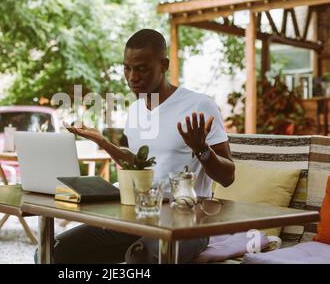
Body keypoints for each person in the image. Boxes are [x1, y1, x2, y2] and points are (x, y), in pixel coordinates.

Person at [35, 29, 235, 264]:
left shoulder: (200, 105)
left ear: (163, 65)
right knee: (52, 252)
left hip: (188, 223)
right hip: (138, 217)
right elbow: (138, 165)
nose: (132, 77)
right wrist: (103, 142)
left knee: (141, 257)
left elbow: (228, 176)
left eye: (141, 68)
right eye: (127, 68)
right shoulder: (136, 110)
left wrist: (202, 150)